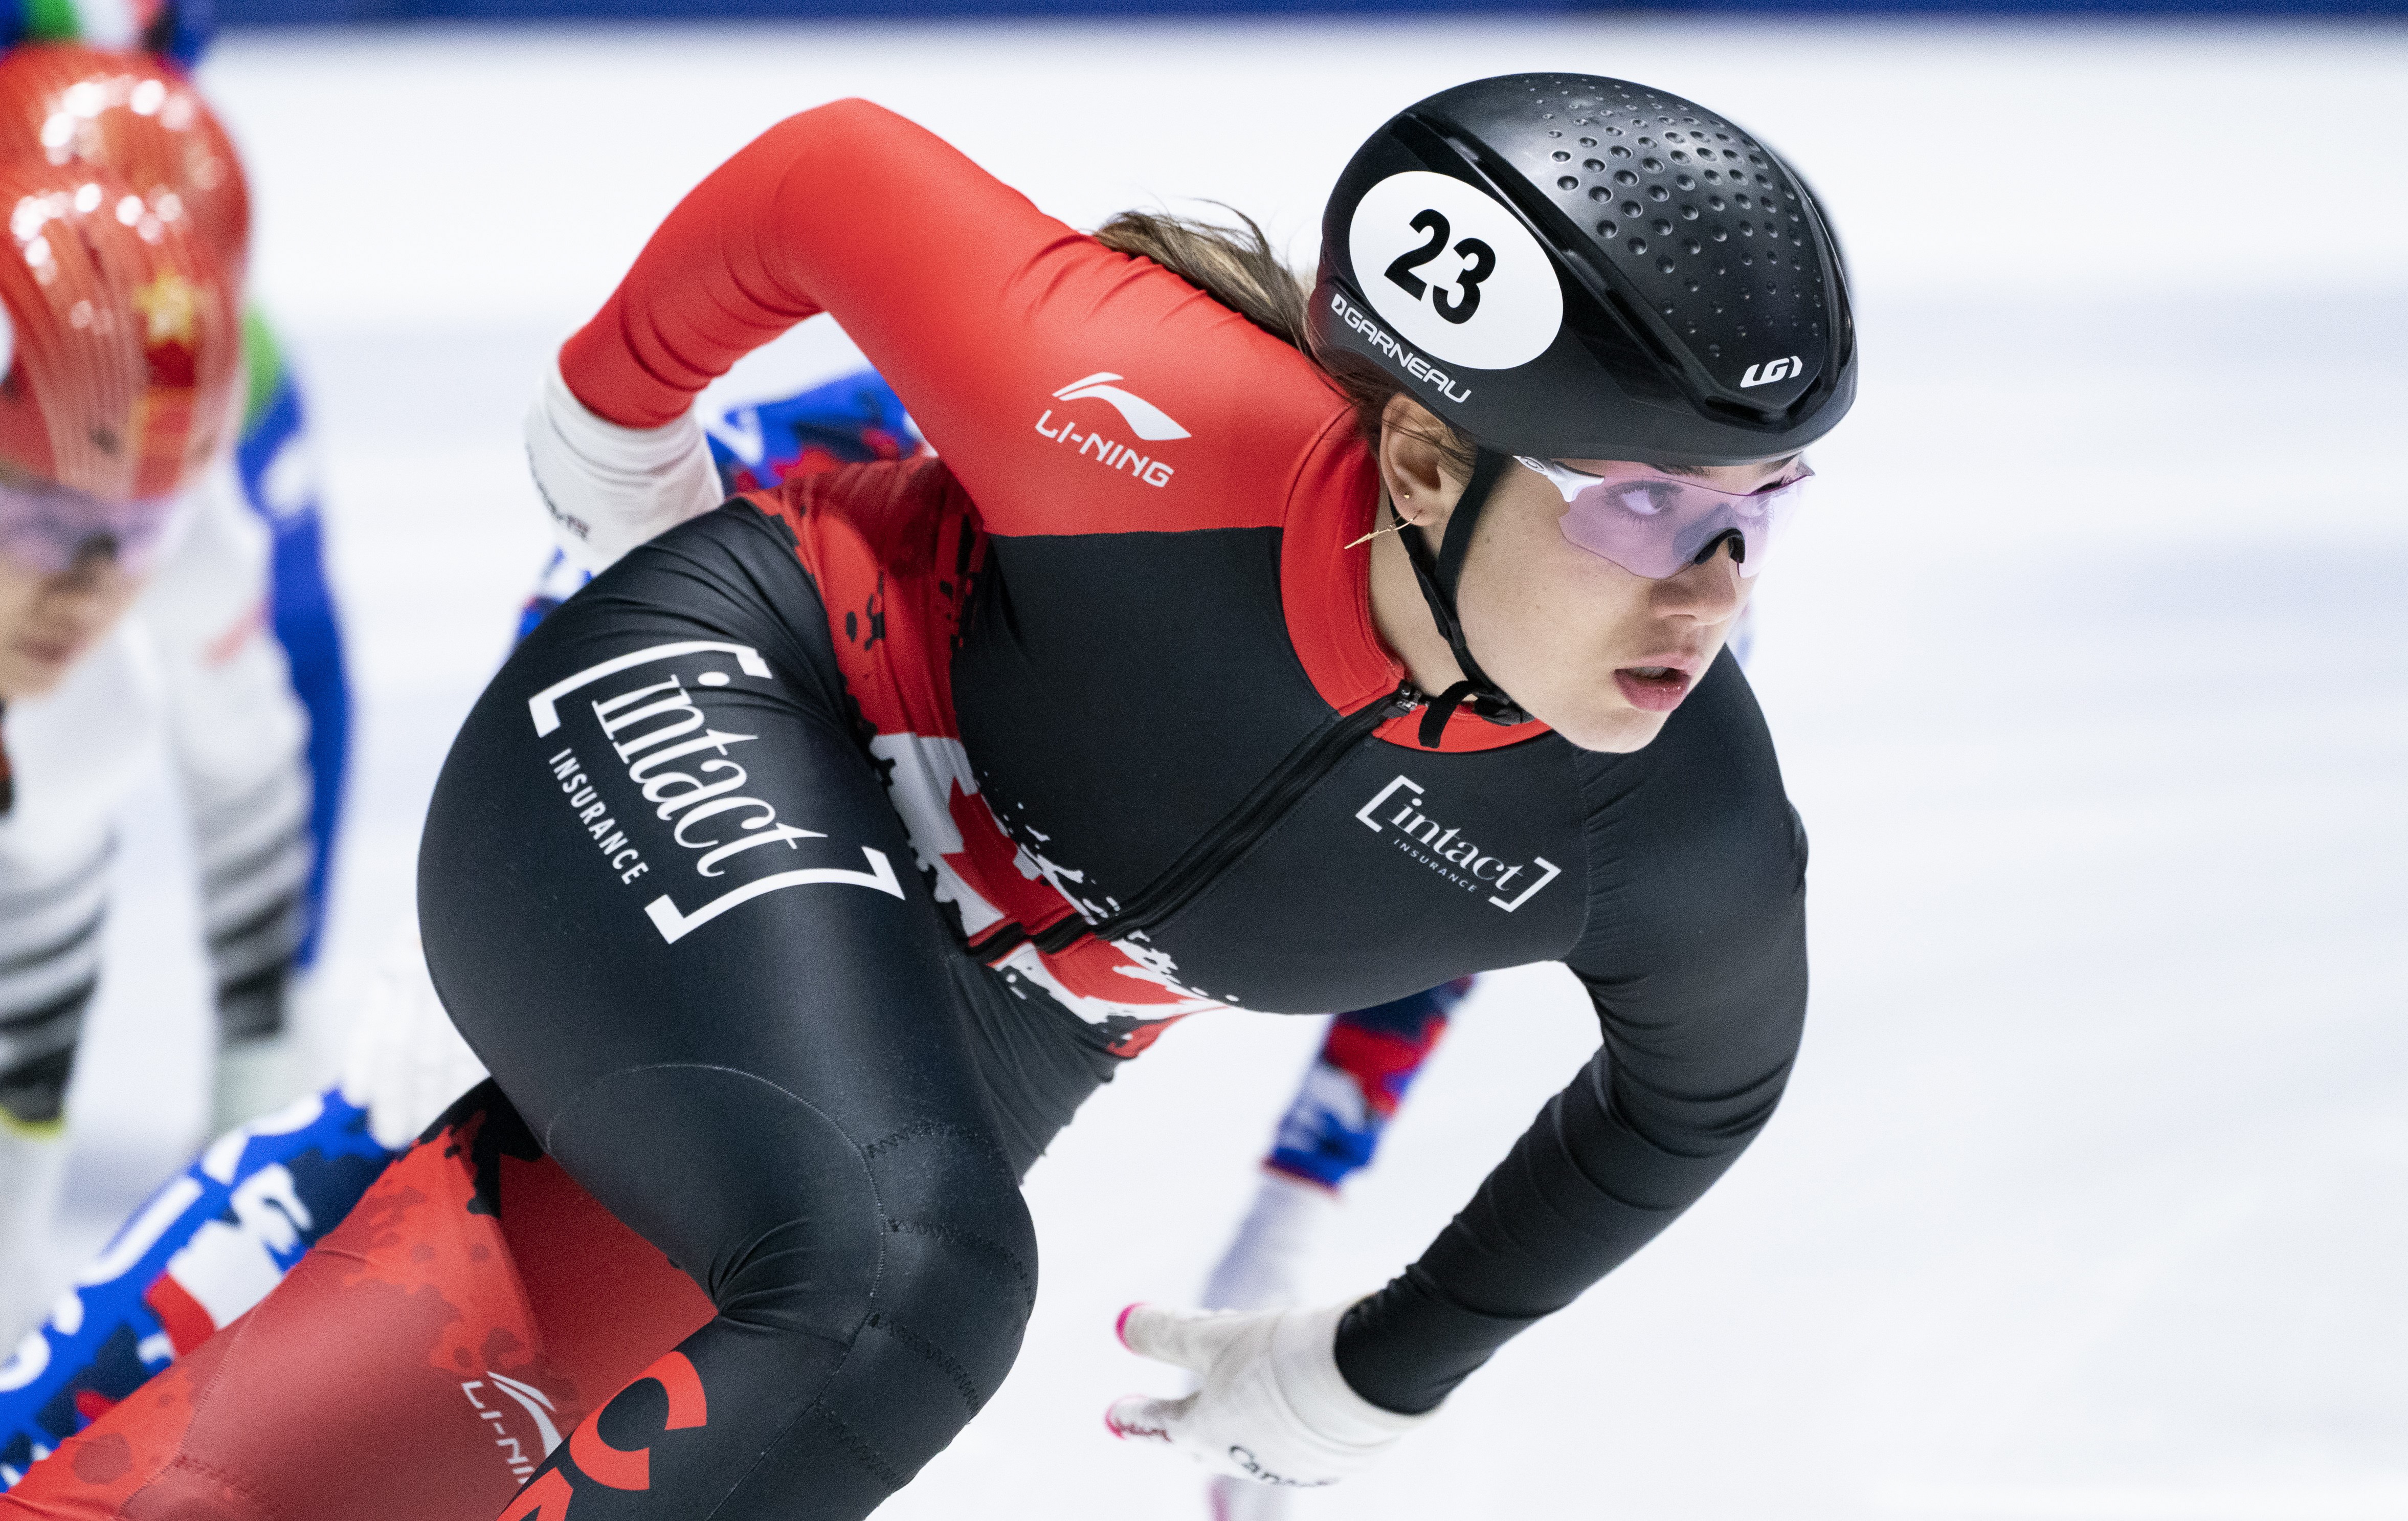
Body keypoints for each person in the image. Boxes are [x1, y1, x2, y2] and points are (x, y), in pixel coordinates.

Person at [1, 70, 1849, 1520]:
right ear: (1430, 461)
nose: (1711, 589)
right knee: (906, 1278)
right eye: (1641, 501)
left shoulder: (1667, 821)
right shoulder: (1148, 410)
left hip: (961, 1024)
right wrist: (613, 424)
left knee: (355, 1455)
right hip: (742, 703)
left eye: (1761, 507)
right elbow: (828, 178)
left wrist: (1375, 1357)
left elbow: (1686, 1099)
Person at [0, 41, 349, 1348]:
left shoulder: (96, 708)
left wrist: (261, 1065)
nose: (91, 591)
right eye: (38, 517)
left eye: (134, 529)